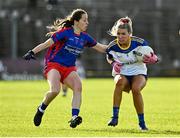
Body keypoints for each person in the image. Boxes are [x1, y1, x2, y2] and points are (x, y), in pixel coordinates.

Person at [23, 9, 107, 128]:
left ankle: (74, 117)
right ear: (76, 21)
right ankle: (41, 109)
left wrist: (118, 47)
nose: (87, 22)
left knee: (78, 87)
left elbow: (102, 48)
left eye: (87, 20)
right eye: (84, 20)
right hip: (54, 65)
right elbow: (47, 43)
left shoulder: (85, 37)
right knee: (55, 90)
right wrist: (32, 52)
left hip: (69, 68)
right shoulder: (65, 33)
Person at [106, 17, 158, 131]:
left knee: (136, 89)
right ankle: (114, 117)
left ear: (130, 33)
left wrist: (154, 59)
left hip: (138, 71)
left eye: (123, 34)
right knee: (119, 83)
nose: (120, 36)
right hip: (122, 72)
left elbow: (152, 55)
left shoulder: (140, 42)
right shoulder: (112, 46)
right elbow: (109, 57)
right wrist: (113, 63)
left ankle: (142, 123)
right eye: (118, 34)